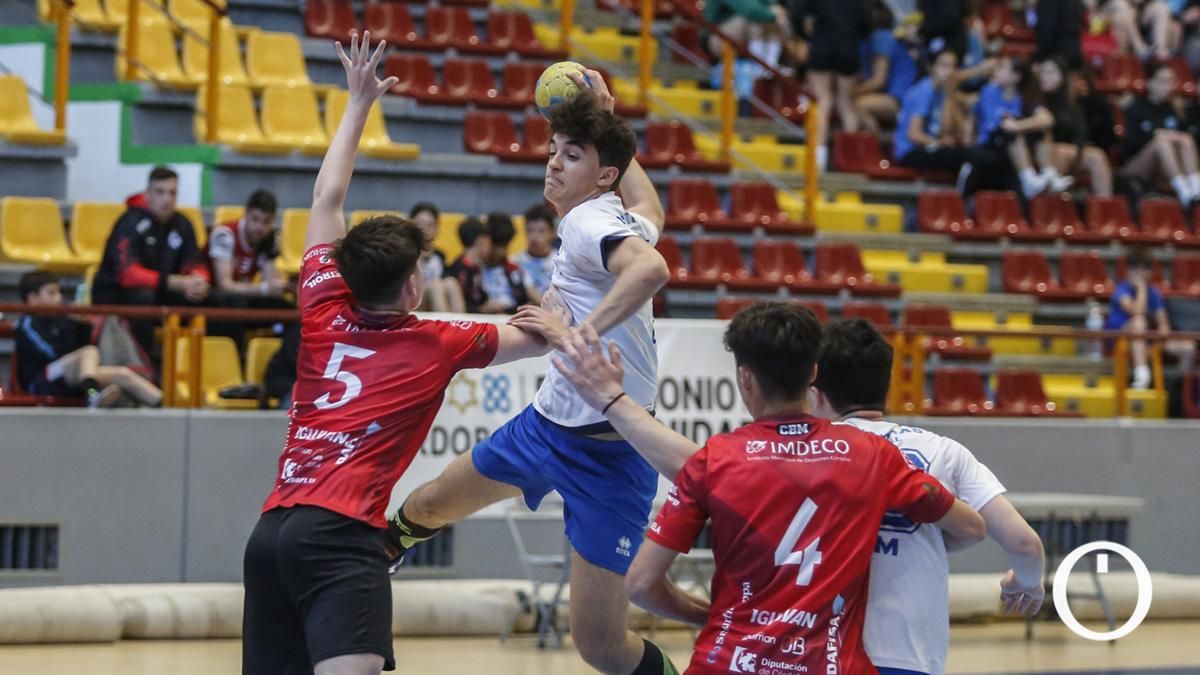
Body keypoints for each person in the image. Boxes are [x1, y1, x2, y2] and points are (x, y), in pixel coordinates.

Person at [240, 32, 563, 675]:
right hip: (341, 534)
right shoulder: (437, 341)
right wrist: (573, 219)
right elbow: (543, 332)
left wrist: (357, 102)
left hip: (270, 533)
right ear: (413, 283)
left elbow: (325, 198)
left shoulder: (323, 305)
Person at [382, 72, 679, 675]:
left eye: (572, 155)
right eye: (551, 152)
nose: (552, 165)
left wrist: (578, 331)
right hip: (545, 430)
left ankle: (378, 546)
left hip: (612, 457)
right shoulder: (609, 212)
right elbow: (651, 209)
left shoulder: (585, 222)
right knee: (433, 503)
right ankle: (375, 552)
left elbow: (650, 270)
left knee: (599, 645)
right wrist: (608, 120)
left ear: (602, 176)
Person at [547, 303, 987, 674]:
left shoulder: (715, 460)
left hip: (729, 659)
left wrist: (706, 615)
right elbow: (972, 527)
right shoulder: (872, 455)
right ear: (812, 373)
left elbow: (641, 583)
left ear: (745, 379)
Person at [811, 318, 1046, 675]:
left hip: (817, 651)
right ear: (887, 384)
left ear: (816, 390)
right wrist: (1026, 582)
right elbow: (1025, 544)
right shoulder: (943, 452)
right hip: (909, 654)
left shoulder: (804, 453)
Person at [91, 166, 211, 355]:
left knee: (207, 298)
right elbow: (128, 275)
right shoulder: (129, 222)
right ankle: (143, 366)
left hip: (160, 293)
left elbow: (195, 263)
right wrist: (174, 282)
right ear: (147, 194)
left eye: (173, 193)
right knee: (143, 297)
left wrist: (199, 281)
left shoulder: (183, 224)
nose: (167, 199)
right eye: (160, 192)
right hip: (117, 295)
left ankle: (201, 364)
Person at [14, 271, 163, 408]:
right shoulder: (26, 324)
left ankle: (165, 405)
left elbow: (79, 346)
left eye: (58, 292)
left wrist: (82, 324)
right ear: (32, 298)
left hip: (75, 375)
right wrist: (69, 325)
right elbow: (53, 353)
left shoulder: (62, 319)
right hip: (42, 380)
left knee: (123, 374)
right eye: (51, 293)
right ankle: (92, 394)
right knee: (89, 352)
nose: (59, 298)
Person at [792, 0, 871, 168]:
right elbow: (867, 22)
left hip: (823, 42)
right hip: (849, 46)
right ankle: (850, 158)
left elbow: (797, 12)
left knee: (823, 100)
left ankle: (818, 157)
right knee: (846, 103)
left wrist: (805, 33)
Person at [1108, 249, 1196, 389]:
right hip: (1123, 339)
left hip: (1148, 339)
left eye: (1145, 269)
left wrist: (1161, 333)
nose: (1141, 273)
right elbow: (1137, 310)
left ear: (1150, 272)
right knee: (1138, 321)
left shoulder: (1154, 292)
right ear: (1128, 270)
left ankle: (1179, 390)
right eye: (1136, 268)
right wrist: (1142, 288)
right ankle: (1142, 375)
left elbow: (1163, 322)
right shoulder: (1122, 288)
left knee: (1188, 348)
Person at [1027, 57, 1114, 197]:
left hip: (1070, 151)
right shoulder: (1033, 100)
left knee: (1097, 156)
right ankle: (1050, 208)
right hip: (1041, 150)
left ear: (1062, 77)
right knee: (1057, 152)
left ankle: (1105, 208)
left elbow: (1081, 133)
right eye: (1043, 73)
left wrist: (1076, 151)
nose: (1045, 77)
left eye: (1050, 72)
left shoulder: (1071, 104)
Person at [1120, 63, 1200, 205]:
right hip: (1137, 163)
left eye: (1170, 81)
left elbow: (1185, 136)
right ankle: (1181, 188)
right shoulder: (1135, 107)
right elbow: (1131, 143)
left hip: (1165, 164)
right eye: (1162, 80)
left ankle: (1195, 184)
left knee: (1186, 139)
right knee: (1161, 142)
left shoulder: (1175, 108)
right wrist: (1160, 136)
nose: (1167, 85)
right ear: (1150, 82)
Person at [208, 189, 288, 305]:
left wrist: (277, 286)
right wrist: (263, 289)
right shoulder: (224, 234)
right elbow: (224, 285)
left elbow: (269, 283)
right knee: (237, 304)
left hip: (243, 296)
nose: (260, 227)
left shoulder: (269, 238)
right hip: (213, 295)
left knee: (284, 306)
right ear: (246, 214)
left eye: (266, 222)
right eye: (255, 219)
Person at [410, 202, 465, 313]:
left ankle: (461, 327)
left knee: (451, 283)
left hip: (436, 298)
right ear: (411, 224)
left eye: (430, 225)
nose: (424, 229)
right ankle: (445, 329)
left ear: (437, 227)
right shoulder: (405, 252)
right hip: (411, 298)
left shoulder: (439, 256)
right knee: (436, 285)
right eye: (420, 224)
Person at [478, 212, 535, 314]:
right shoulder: (473, 269)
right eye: (497, 246)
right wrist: (481, 309)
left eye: (505, 246)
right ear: (486, 241)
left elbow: (534, 296)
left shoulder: (515, 269)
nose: (502, 252)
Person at [445, 216, 492, 314]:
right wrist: (481, 309)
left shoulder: (477, 267)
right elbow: (461, 302)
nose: (490, 246)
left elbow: (480, 296)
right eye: (489, 241)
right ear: (480, 240)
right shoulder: (460, 268)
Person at [513, 203, 558, 300]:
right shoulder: (514, 262)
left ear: (552, 233)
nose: (534, 237)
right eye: (530, 231)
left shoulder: (561, 262)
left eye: (541, 231)